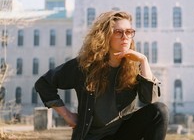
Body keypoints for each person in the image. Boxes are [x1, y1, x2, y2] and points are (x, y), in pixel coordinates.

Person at [35, 10, 169, 140]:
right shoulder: (85, 65)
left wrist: (143, 61)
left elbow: (150, 100)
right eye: (118, 32)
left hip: (124, 133)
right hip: (94, 136)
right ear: (106, 36)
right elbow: (44, 84)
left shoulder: (134, 65)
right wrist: (67, 115)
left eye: (129, 32)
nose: (125, 37)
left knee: (159, 110)